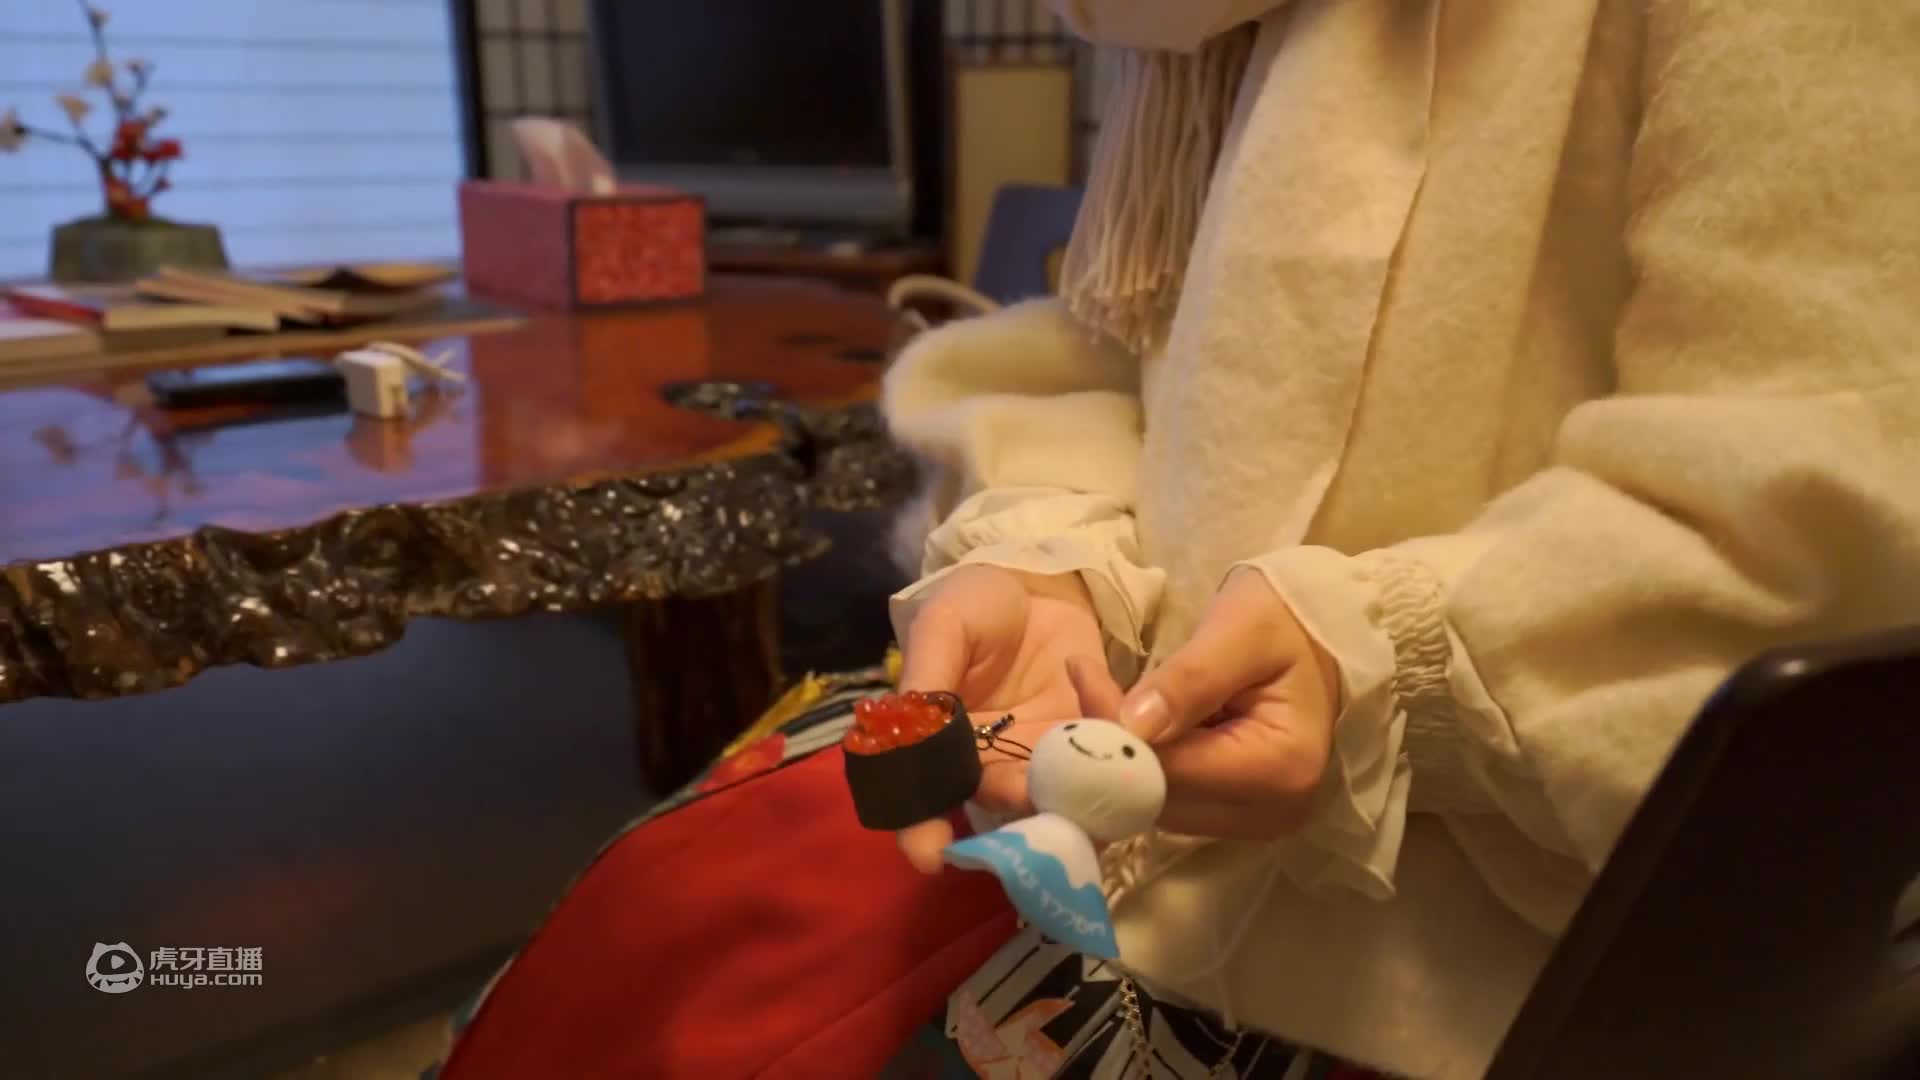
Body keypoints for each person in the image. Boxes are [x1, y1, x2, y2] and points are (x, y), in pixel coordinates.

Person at [436, 1, 1920, 1077]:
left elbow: (1833, 487)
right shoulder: (1210, 38)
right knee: (658, 918)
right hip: (1118, 784)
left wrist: (1375, 662)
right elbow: (1124, 353)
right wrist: (1046, 548)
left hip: (1472, 925)